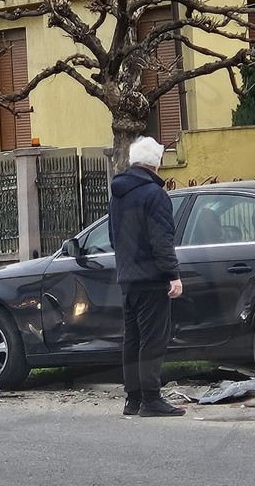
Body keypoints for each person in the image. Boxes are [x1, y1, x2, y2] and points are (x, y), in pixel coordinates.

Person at [108, 136, 185, 418]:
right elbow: (161, 240)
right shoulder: (155, 195)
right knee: (153, 339)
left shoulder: (118, 195)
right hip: (152, 279)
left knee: (133, 339)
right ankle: (151, 400)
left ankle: (133, 399)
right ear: (156, 164)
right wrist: (172, 275)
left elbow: (113, 239)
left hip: (127, 278)